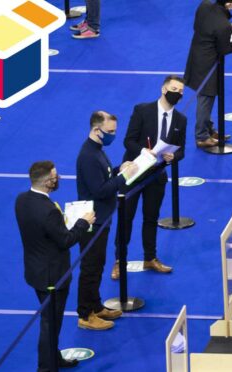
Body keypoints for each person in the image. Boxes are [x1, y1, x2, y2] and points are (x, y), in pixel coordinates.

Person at [15, 161, 96, 371]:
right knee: (51, 323)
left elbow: (47, 233)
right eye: (55, 176)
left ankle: (54, 358)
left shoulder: (22, 200)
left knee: (51, 321)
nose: (58, 178)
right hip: (53, 276)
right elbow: (66, 240)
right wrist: (83, 222)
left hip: (35, 271)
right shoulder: (48, 210)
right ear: (46, 181)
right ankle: (46, 368)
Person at [111, 75, 187, 278]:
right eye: (174, 88)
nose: (177, 93)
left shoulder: (181, 120)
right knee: (125, 218)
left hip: (156, 177)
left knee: (151, 218)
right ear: (164, 89)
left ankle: (150, 258)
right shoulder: (142, 110)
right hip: (134, 173)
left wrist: (173, 156)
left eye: (181, 91)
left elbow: (181, 151)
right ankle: (119, 261)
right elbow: (128, 141)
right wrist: (146, 152)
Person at [75, 111, 138, 330]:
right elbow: (99, 190)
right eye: (109, 132)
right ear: (95, 129)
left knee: (98, 265)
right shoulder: (88, 156)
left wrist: (120, 169)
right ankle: (85, 314)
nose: (112, 136)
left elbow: (105, 177)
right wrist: (123, 177)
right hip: (92, 220)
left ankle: (95, 305)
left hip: (101, 216)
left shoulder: (98, 151)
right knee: (90, 268)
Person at [184, 0, 232, 148]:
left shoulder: (204, 5)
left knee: (206, 98)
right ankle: (201, 136)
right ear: (229, 3)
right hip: (208, 65)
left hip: (195, 56)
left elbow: (197, 26)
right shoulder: (224, 25)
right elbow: (224, 49)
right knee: (206, 99)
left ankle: (209, 130)